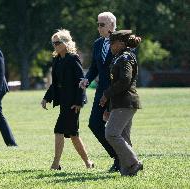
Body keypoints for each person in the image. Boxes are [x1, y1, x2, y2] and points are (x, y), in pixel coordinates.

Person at [41, 29, 94, 170]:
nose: (55, 45)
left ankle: (55, 164)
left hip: (73, 103)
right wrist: (46, 97)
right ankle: (88, 163)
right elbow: (55, 82)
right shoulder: (57, 59)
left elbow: (81, 81)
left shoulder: (73, 58)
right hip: (64, 101)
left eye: (57, 42)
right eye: (53, 43)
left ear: (65, 43)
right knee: (73, 134)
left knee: (59, 130)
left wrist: (79, 102)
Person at [79, 12, 119, 172]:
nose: (99, 27)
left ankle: (124, 160)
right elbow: (95, 67)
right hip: (101, 91)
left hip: (117, 91)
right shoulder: (97, 43)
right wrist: (86, 78)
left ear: (112, 25)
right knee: (94, 124)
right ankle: (117, 156)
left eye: (102, 24)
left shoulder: (121, 42)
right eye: (98, 24)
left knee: (116, 130)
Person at [99, 30, 143, 176]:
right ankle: (128, 171)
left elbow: (125, 80)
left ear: (122, 43)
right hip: (121, 104)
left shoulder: (125, 58)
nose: (110, 45)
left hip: (126, 102)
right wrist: (109, 107)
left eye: (113, 42)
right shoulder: (119, 57)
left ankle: (134, 162)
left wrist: (106, 93)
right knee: (123, 137)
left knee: (111, 134)